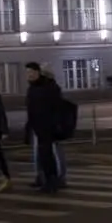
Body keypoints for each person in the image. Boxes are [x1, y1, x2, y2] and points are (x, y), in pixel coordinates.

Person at [24, 62, 75, 193]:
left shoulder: (49, 87)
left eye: (31, 72)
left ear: (38, 73)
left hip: (48, 127)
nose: (28, 75)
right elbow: (31, 110)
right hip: (38, 128)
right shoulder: (32, 89)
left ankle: (54, 180)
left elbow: (56, 108)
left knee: (50, 155)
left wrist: (55, 125)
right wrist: (29, 128)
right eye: (27, 72)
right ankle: (46, 180)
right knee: (42, 155)